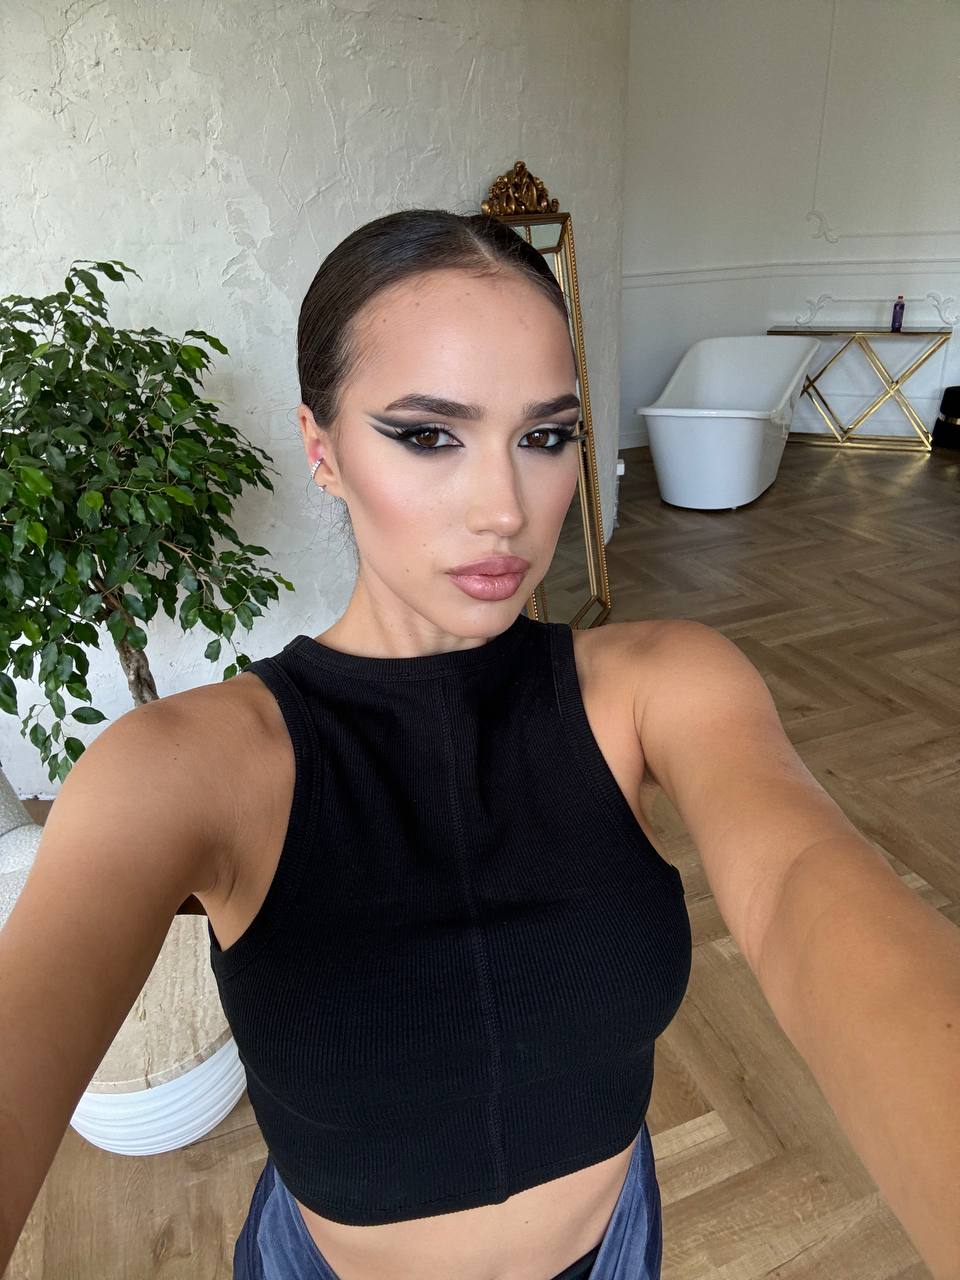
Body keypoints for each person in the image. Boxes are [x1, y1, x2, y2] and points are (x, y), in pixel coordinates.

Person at [1, 209, 958, 1280]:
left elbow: (799, 884)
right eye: (428, 434)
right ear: (322, 449)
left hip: (615, 1249)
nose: (505, 509)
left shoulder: (661, 683)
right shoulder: (186, 765)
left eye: (545, 437)